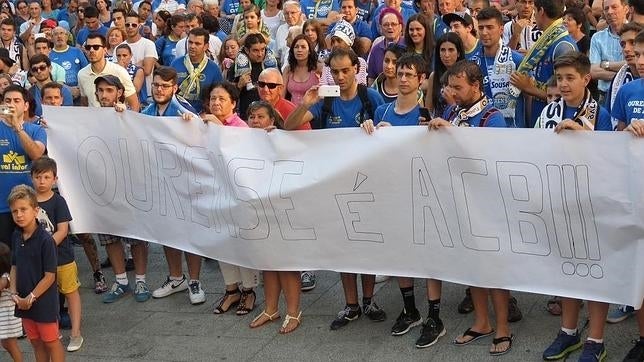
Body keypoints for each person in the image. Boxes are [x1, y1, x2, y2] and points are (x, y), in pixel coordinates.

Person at [284, 48, 386, 330]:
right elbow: (288, 126)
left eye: (345, 71)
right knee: (344, 245)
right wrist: (305, 104)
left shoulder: (370, 97)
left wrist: (374, 128)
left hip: (365, 182)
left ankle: (369, 300)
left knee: (366, 243)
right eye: (335, 72)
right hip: (335, 183)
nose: (340, 77)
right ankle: (351, 304)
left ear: (356, 68)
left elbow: (387, 133)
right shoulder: (325, 99)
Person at [363, 54, 449, 349]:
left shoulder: (428, 113)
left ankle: (434, 316)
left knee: (429, 256)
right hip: (393, 190)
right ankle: (409, 309)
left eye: (409, 74)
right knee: (400, 252)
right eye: (399, 73)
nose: (402, 79)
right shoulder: (382, 110)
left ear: (421, 79)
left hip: (424, 192)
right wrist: (368, 131)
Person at [537, 51, 612, 362]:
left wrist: (585, 139)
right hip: (559, 201)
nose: (564, 84)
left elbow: (611, 160)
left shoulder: (600, 114)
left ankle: (596, 339)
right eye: (560, 79)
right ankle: (568, 331)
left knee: (594, 272)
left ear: (586, 79)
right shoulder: (549, 111)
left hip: (593, 204)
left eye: (570, 78)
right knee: (566, 269)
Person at [90, 75, 151, 304]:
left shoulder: (130, 117)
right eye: (101, 91)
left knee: (136, 235)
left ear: (119, 93)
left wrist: (125, 117)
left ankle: (141, 280)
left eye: (109, 90)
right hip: (102, 186)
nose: (104, 95)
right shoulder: (88, 118)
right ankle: (121, 280)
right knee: (109, 237)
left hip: (129, 186)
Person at [245, 102, 303, 333]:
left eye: (260, 116)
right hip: (259, 208)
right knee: (267, 261)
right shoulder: (243, 141)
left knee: (286, 262)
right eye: (252, 116)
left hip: (282, 208)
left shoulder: (281, 139)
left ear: (272, 120)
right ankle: (270, 308)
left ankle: (293, 311)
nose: (255, 121)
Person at [31, 156, 84, 352]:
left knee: (70, 292)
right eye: (38, 177)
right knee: (47, 296)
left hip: (62, 257)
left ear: (54, 179)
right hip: (39, 261)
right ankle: (52, 331)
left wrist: (45, 247)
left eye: (46, 177)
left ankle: (76, 332)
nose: (42, 181)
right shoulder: (28, 202)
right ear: (32, 178)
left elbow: (62, 230)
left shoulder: (59, 201)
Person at [8, 184, 64, 362]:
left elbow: (50, 276)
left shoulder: (46, 240)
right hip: (23, 302)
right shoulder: (16, 236)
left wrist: (31, 297)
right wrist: (14, 293)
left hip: (43, 302)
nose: (19, 215)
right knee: (36, 343)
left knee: (52, 342)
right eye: (15, 211)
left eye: (23, 209)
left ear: (35, 210)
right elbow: (14, 266)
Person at [509, 0, 576, 127]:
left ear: (541, 11)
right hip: (541, 115)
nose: (534, 14)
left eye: (534, 10)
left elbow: (566, 94)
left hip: (555, 123)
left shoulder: (563, 46)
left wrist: (528, 87)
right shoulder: (549, 41)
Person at [0, 85, 46, 250]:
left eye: (17, 101)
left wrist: (18, 128)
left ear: (26, 106)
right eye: (7, 101)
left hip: (28, 205)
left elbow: (36, 155)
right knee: (4, 257)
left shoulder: (36, 129)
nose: (11, 104)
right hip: (2, 206)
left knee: (30, 255)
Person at [474, 7, 524, 127]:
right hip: (485, 128)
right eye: (481, 28)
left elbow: (528, 97)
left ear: (501, 29)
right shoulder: (473, 63)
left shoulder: (516, 60)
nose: (484, 32)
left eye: (490, 27)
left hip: (514, 129)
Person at [77, 34, 140, 111]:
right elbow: (84, 104)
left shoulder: (119, 71)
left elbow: (134, 104)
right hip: (94, 121)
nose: (91, 50)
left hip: (116, 120)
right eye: (88, 47)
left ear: (105, 50)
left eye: (96, 47)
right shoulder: (82, 74)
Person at [227, 33, 278, 120]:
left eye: (262, 49)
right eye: (255, 50)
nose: (260, 54)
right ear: (247, 50)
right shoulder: (236, 67)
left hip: (270, 115)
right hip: (247, 116)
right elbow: (228, 96)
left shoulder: (272, 65)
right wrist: (239, 85)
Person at [172, 27, 223, 113]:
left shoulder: (214, 69)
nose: (192, 46)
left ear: (206, 46)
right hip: (177, 114)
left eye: (197, 44)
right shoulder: (176, 64)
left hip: (202, 116)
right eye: (190, 42)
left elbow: (218, 96)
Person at [605, 23, 643, 133]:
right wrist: (627, 132)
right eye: (623, 44)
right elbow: (616, 131)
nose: (626, 49)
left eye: (632, 42)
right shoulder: (623, 88)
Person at [589, 0, 628, 104]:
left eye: (614, 7)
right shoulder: (597, 38)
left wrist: (605, 64)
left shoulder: (637, 35)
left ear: (626, 9)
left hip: (629, 95)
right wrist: (624, 74)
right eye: (606, 9)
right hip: (604, 96)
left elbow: (635, 65)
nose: (610, 12)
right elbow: (593, 72)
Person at [426, 32, 464, 117]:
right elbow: (429, 109)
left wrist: (452, 104)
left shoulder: (465, 76)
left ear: (458, 53)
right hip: (437, 126)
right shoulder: (433, 76)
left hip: (459, 124)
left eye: (451, 50)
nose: (446, 55)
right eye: (442, 50)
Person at [123, 11, 159, 102]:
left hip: (146, 96)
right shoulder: (120, 47)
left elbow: (147, 70)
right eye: (127, 25)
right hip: (125, 95)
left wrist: (127, 67)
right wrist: (139, 64)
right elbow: (117, 71)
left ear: (139, 26)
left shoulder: (148, 44)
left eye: (134, 25)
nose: (130, 27)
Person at [321, 21, 368, 85]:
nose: (335, 44)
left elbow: (360, 87)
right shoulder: (327, 63)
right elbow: (323, 87)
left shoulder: (360, 62)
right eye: (333, 41)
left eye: (339, 41)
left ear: (348, 42)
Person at [367, 8, 406, 84]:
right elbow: (371, 79)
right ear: (380, 28)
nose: (390, 27)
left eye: (393, 24)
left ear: (400, 27)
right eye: (386, 25)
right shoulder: (376, 49)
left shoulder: (408, 46)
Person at [282, 34, 321, 105]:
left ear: (309, 51)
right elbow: (282, 95)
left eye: (303, 47)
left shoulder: (317, 68)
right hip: (293, 113)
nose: (299, 50)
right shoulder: (288, 69)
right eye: (296, 47)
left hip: (313, 112)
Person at [50, 26, 88, 96]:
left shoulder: (77, 51)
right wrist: (68, 90)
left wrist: (80, 89)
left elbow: (86, 71)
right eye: (56, 34)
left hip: (79, 91)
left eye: (61, 33)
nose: (59, 36)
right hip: (59, 93)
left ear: (67, 37)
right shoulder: (49, 55)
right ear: (51, 39)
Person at [0, 242, 22, 361]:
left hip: (8, 315)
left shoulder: (5, 277)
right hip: (3, 314)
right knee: (6, 344)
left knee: (11, 345)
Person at [275, 1, 304, 66]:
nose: (289, 16)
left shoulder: (307, 28)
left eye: (293, 13)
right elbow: (277, 56)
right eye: (286, 13)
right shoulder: (281, 29)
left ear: (300, 13)